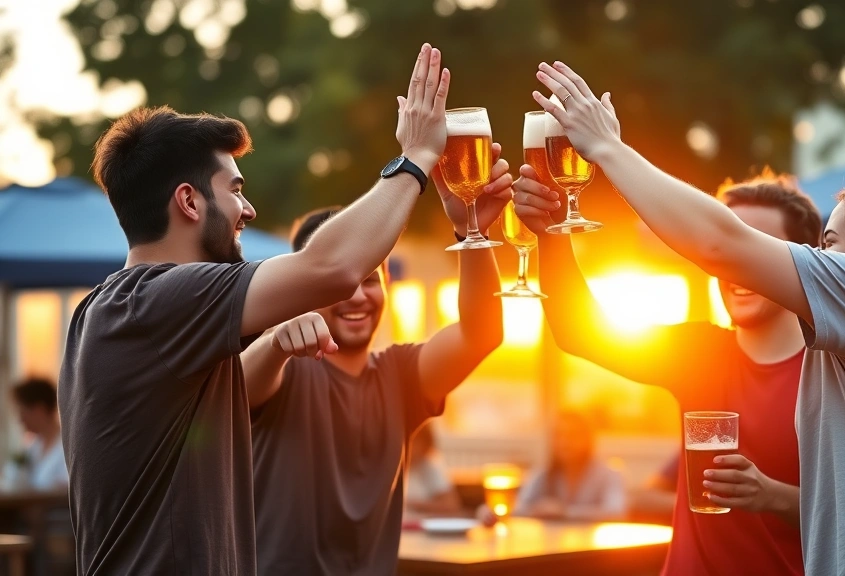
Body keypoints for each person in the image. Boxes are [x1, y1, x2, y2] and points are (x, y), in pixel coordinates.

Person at [525, 60, 845, 575]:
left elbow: (718, 242)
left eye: (828, 246)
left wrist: (607, 147)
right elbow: (584, 327)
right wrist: (552, 234)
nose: (762, 269)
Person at [58, 43, 451, 575]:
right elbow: (331, 269)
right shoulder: (159, 301)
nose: (249, 209)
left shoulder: (108, 309)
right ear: (190, 202)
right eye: (235, 190)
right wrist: (416, 159)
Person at [513, 170, 816, 573]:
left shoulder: (835, 374)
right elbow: (577, 330)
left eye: (756, 250)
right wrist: (550, 231)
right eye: (726, 250)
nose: (739, 268)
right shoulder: (701, 353)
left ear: (804, 259)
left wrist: (773, 496)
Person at [246, 146, 509, 575]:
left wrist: (470, 230)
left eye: (370, 279)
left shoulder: (399, 377)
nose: (355, 295)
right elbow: (241, 387)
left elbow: (482, 332)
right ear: (300, 291)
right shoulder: (282, 366)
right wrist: (274, 342)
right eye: (337, 283)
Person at [512, 411, 626, 521]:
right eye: (558, 435)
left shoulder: (608, 475)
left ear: (587, 439)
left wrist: (565, 512)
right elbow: (517, 508)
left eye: (572, 435)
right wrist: (536, 510)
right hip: (552, 539)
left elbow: (616, 512)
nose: (564, 442)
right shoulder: (544, 474)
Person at [2, 378, 67, 491]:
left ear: (39, 410)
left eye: (22, 412)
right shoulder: (33, 447)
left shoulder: (67, 447)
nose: (20, 420)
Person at [404, 423, 462, 518]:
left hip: (422, 525)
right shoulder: (387, 463)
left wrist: (413, 504)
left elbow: (451, 505)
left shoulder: (430, 463)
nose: (412, 447)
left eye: (415, 441)